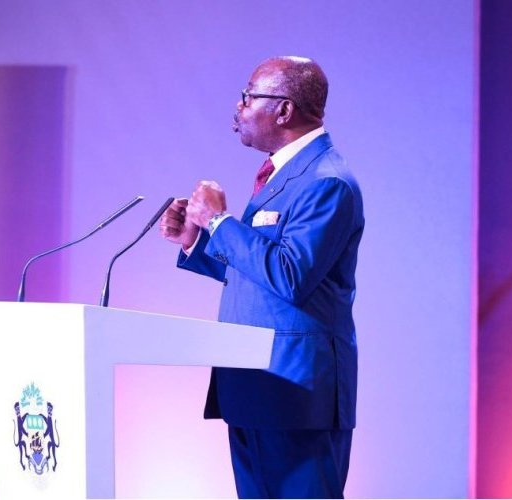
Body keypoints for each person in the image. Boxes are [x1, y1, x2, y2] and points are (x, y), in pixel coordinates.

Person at [160, 57, 364, 498]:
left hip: (295, 395)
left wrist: (219, 222)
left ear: (284, 110)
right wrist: (195, 240)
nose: (239, 107)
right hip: (252, 387)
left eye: (249, 96)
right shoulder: (283, 174)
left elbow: (290, 276)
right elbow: (259, 274)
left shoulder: (326, 181)